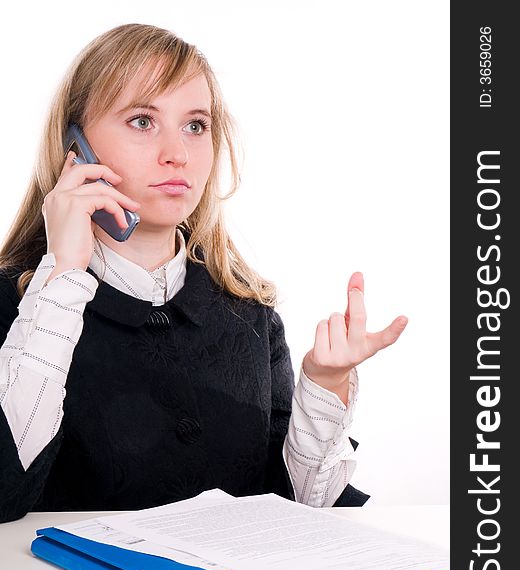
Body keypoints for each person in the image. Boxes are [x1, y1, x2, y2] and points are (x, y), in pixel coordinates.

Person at [0, 23, 407, 523]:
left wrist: (325, 387)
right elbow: (4, 494)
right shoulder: (20, 305)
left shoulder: (249, 314)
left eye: (195, 125)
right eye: (142, 121)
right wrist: (63, 274)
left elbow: (298, 514)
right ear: (74, 147)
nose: (178, 154)